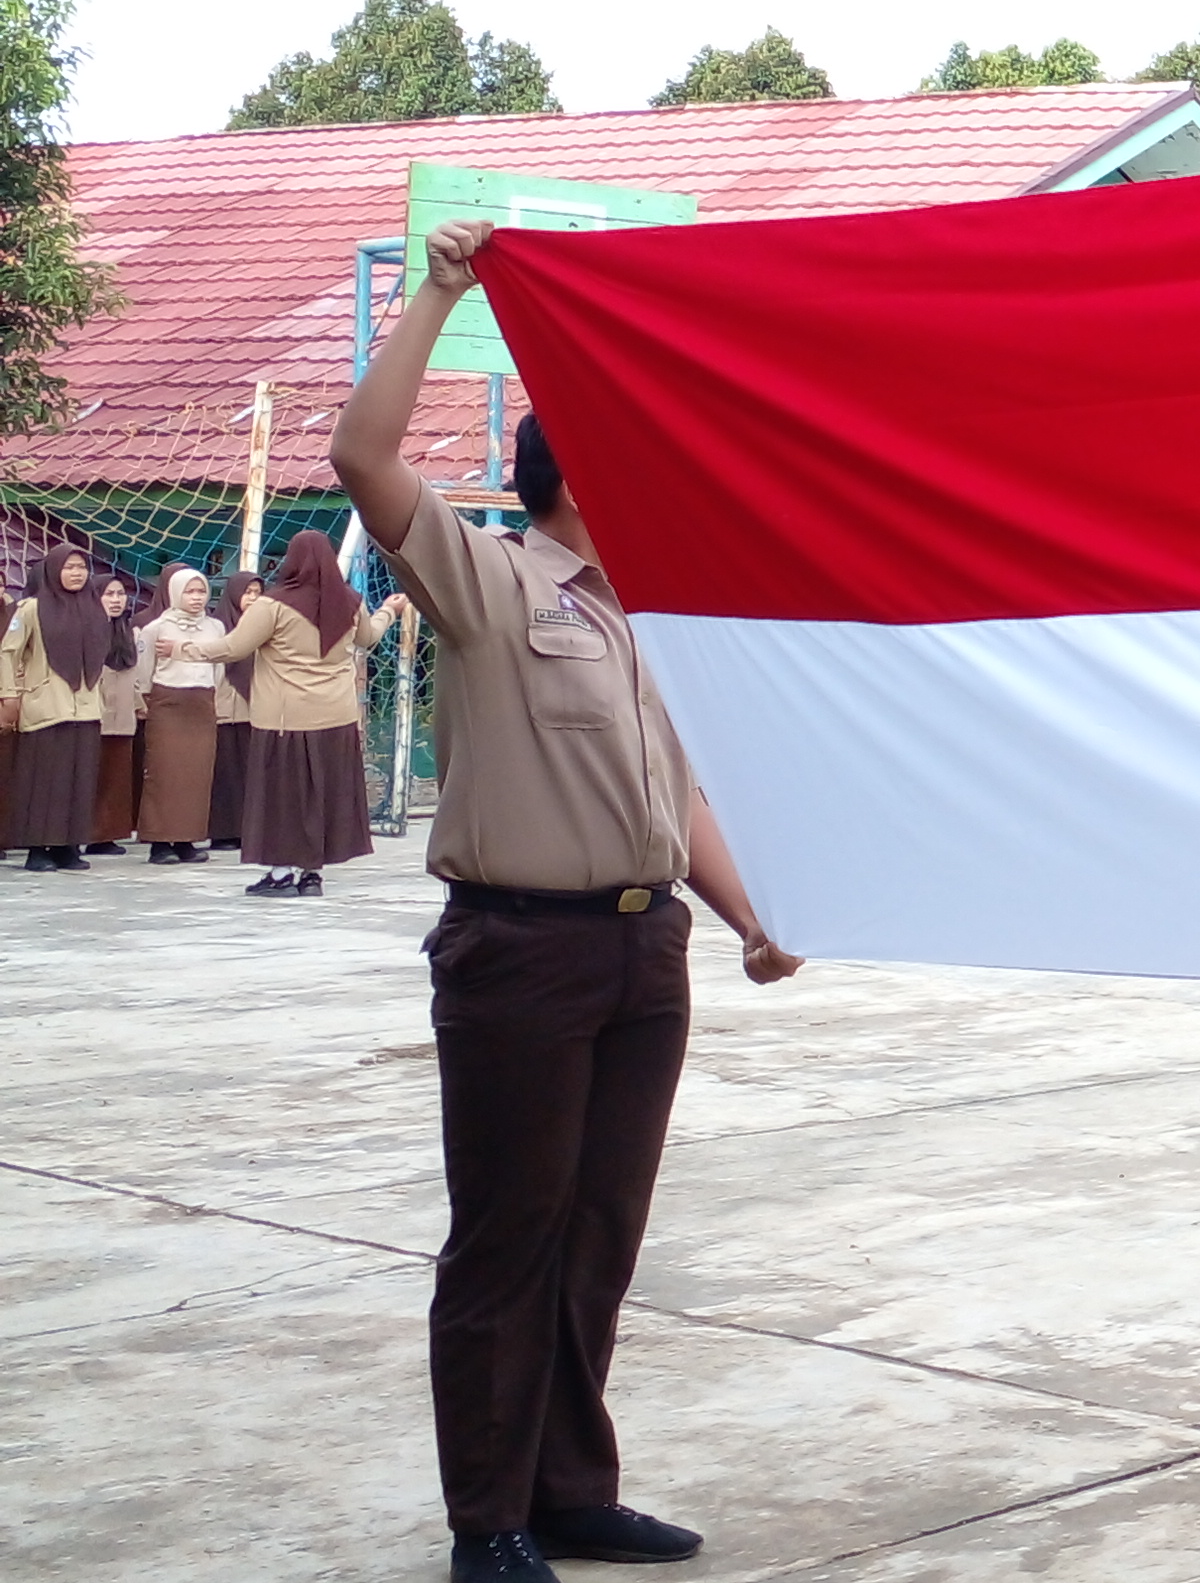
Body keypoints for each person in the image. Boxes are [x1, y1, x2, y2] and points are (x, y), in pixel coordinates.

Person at [337, 216, 800, 1583]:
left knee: (600, 1235)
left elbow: (678, 799)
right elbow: (364, 459)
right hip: (520, 950)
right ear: (575, 473)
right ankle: (488, 1518)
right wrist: (438, 294)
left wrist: (750, 920)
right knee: (510, 1237)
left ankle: (571, 1491)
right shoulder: (489, 580)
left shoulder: (650, 614)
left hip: (644, 949)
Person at [196, 527, 400, 898]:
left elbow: (233, 648)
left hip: (285, 720)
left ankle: (280, 875)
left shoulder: (273, 605)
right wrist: (389, 610)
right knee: (324, 796)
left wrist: (183, 649)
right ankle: (311, 875)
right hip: (337, 718)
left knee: (283, 798)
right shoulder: (349, 602)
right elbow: (368, 638)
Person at [8, 548, 136, 871]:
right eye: (69, 567)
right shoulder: (31, 609)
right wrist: (9, 694)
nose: (77, 573)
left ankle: (68, 846)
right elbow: (7, 654)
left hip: (87, 710)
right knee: (44, 782)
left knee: (79, 781)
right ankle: (38, 849)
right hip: (46, 708)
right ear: (53, 570)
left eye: (81, 567)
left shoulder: (94, 610)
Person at [135, 567, 225, 863]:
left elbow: (220, 667)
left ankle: (187, 839)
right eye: (190, 591)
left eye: (201, 591)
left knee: (197, 775)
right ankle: (160, 842)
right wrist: (149, 698)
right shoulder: (157, 628)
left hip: (202, 704)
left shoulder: (216, 627)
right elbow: (144, 669)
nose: (197, 598)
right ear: (175, 593)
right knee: (165, 773)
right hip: (168, 703)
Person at [89, 565, 151, 856]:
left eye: (120, 594)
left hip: (123, 718)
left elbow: (134, 675)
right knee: (93, 777)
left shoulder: (127, 632)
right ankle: (87, 833)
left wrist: (139, 705)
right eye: (109, 594)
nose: (116, 600)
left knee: (116, 779)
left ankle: (107, 834)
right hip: (94, 717)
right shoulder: (87, 630)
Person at [205, 568, 261, 855]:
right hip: (223, 709)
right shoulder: (217, 626)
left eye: (257, 593)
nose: (252, 599)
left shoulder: (264, 626)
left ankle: (249, 830)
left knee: (251, 771)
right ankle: (223, 831)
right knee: (224, 772)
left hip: (256, 710)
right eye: (247, 593)